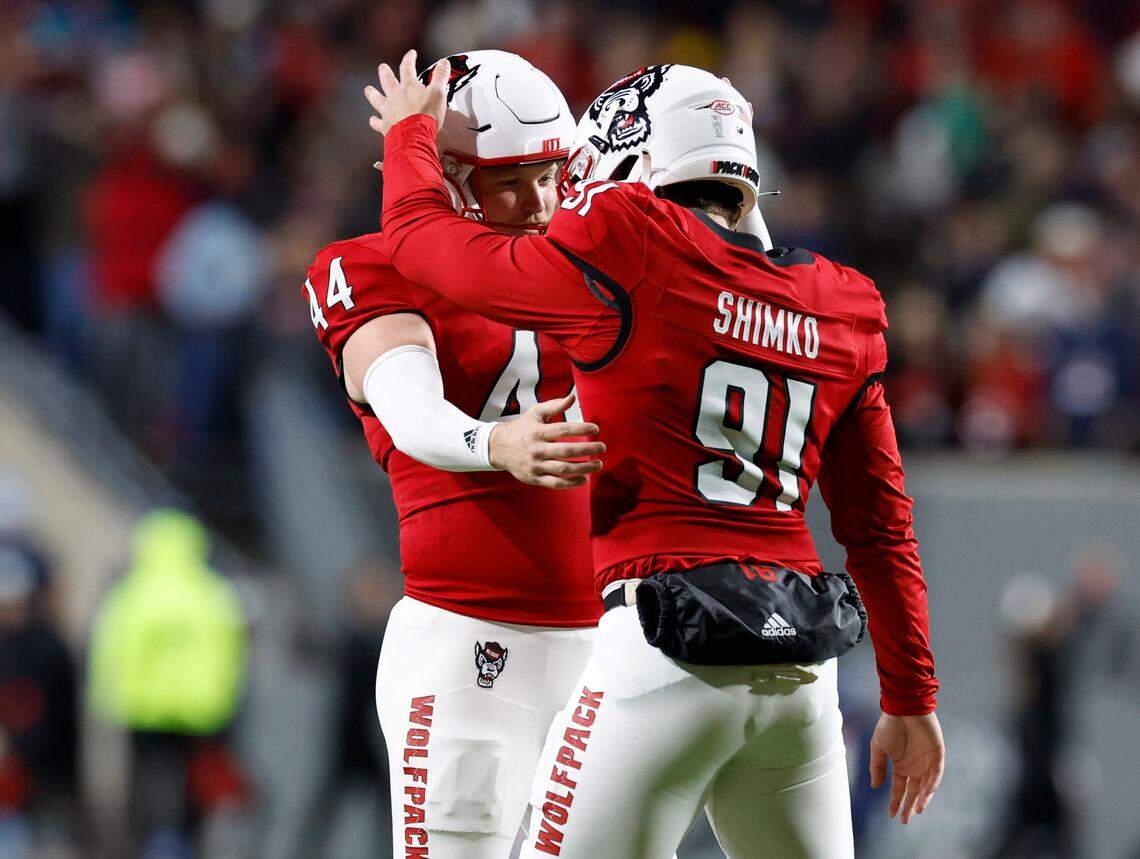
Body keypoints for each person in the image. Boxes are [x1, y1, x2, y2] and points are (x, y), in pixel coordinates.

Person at [366, 53, 945, 858]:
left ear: (632, 163)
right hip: (803, 670)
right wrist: (912, 694)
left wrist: (410, 138)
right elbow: (880, 528)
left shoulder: (630, 239)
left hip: (664, 643)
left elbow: (429, 246)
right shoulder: (845, 302)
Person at [302, 51, 604, 858]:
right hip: (468, 639)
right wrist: (496, 441)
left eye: (550, 174)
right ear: (450, 177)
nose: (540, 201)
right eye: (511, 180)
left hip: (607, 643)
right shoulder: (371, 266)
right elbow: (409, 409)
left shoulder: (594, 268)